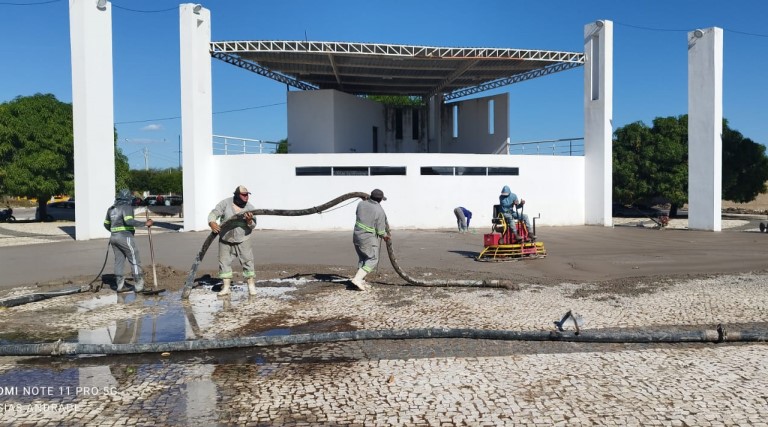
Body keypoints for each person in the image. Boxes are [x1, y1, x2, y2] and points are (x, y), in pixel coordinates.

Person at [208, 185, 257, 297]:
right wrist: (212, 222)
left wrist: (249, 221)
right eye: (243, 195)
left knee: (248, 261)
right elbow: (214, 213)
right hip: (225, 238)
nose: (246, 197)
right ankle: (226, 287)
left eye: (247, 195)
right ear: (237, 195)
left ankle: (251, 286)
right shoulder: (225, 203)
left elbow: (253, 225)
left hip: (243, 238)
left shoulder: (250, 207)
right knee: (224, 262)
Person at [103, 188, 154, 293]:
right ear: (127, 198)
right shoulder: (126, 207)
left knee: (119, 261)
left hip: (113, 238)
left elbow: (106, 224)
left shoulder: (111, 209)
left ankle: (120, 286)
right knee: (134, 259)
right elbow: (129, 221)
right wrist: (145, 224)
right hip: (125, 237)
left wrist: (113, 231)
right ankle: (139, 286)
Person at [351, 188, 390, 291]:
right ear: (380, 199)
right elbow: (381, 230)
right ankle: (357, 279)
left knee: (363, 258)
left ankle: (360, 279)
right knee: (373, 259)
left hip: (356, 236)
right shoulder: (380, 211)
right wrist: (385, 236)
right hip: (367, 238)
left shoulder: (361, 204)